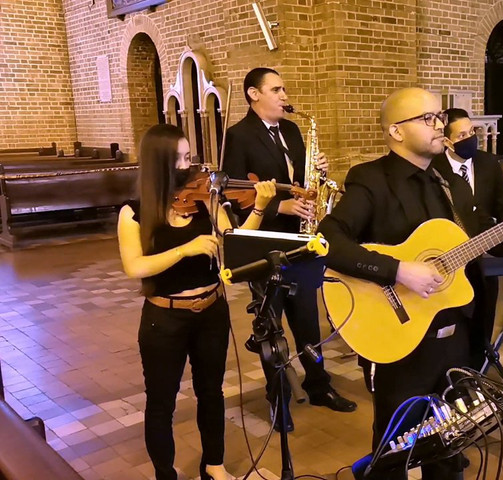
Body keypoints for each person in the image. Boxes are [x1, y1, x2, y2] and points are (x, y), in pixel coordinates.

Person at [318, 87, 503, 480]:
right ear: (395, 131)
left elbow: (493, 240)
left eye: (439, 116)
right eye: (427, 118)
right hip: (402, 335)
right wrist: (398, 270)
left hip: (457, 334)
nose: (439, 124)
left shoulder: (451, 183)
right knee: (396, 444)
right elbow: (329, 241)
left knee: (451, 440)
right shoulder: (371, 180)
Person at [117, 124, 276, 480]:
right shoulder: (134, 212)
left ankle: (214, 465)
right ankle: (165, 473)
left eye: (190, 157)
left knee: (212, 392)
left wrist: (261, 206)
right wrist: (185, 249)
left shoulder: (205, 200)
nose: (192, 167)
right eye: (181, 159)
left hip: (211, 310)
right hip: (164, 318)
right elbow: (135, 266)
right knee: (161, 401)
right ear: (159, 163)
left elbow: (233, 242)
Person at [221, 67, 357, 430]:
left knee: (308, 319)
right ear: (253, 94)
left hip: (301, 239)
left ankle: (319, 385)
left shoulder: (293, 131)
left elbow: (302, 183)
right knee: (271, 324)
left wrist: (319, 173)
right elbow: (233, 193)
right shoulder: (238, 136)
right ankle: (277, 395)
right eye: (276, 89)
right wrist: (280, 206)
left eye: (284, 89)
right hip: (265, 241)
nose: (284, 96)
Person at [431, 107, 503, 368]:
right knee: (453, 329)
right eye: (462, 134)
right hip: (449, 264)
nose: (470, 138)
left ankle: (477, 375)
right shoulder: (434, 169)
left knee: (483, 323)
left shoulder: (489, 163)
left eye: (472, 131)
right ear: (446, 141)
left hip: (484, 261)